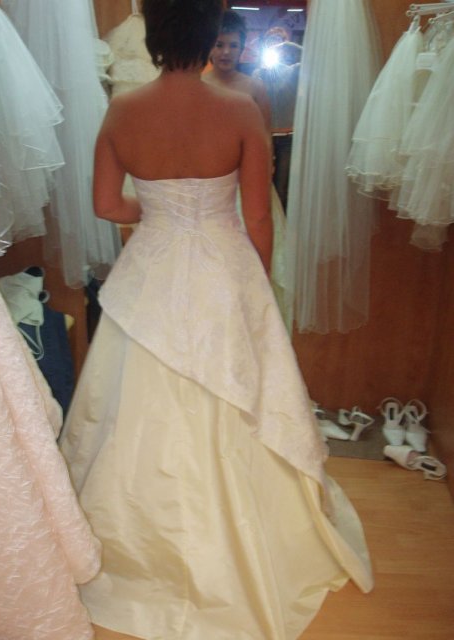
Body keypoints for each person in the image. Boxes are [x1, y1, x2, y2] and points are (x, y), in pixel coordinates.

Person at [60, 1, 373, 638]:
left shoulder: (122, 111)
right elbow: (257, 214)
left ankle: (125, 550)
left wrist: (157, 211)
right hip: (222, 263)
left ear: (152, 35)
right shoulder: (238, 110)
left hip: (151, 268)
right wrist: (257, 281)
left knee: (128, 401)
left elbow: (105, 204)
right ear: (211, 37)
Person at [203, 9, 289, 325]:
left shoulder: (255, 88)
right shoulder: (198, 86)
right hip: (213, 188)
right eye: (219, 44)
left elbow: (265, 139)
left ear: (243, 48)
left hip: (250, 184)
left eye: (233, 45)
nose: (226, 52)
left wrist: (263, 175)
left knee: (255, 255)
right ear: (209, 46)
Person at [253, 26, 302, 211]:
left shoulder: (295, 70)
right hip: (265, 137)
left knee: (282, 188)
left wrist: (290, 46)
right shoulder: (259, 74)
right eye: (270, 43)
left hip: (288, 139)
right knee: (263, 185)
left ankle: (282, 223)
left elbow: (315, 60)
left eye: (278, 43)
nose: (274, 46)